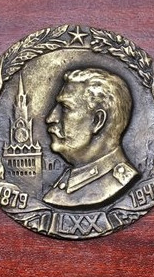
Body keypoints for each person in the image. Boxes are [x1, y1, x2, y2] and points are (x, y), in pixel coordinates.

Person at [42, 68, 139, 207]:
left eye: (65, 108)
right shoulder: (64, 185)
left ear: (97, 121)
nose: (51, 118)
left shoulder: (116, 184)